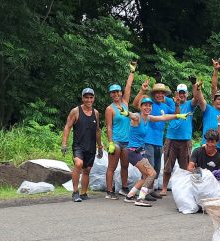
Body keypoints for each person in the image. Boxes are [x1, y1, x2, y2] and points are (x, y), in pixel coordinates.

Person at [123, 97, 188, 206]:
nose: (148, 107)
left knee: (145, 176)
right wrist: (126, 113)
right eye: (145, 105)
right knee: (152, 173)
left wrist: (178, 116)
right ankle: (140, 199)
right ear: (141, 107)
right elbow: (132, 116)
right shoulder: (138, 117)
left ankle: (130, 195)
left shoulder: (148, 118)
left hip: (138, 152)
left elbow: (163, 118)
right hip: (133, 152)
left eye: (149, 105)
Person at [132, 80, 175, 194]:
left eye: (162, 93)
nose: (160, 95)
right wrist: (142, 90)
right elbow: (135, 104)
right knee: (148, 168)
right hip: (147, 141)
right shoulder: (149, 104)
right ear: (153, 94)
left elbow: (175, 110)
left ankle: (150, 190)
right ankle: (145, 192)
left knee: (156, 168)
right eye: (157, 92)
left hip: (159, 142)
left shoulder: (165, 106)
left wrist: (171, 99)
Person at [61, 87, 102, 202]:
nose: (89, 100)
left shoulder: (96, 113)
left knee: (87, 170)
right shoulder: (76, 111)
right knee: (78, 164)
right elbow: (67, 127)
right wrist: (64, 144)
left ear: (93, 98)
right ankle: (75, 192)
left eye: (91, 97)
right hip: (78, 146)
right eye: (86, 97)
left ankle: (84, 193)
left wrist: (100, 147)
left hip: (91, 146)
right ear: (82, 98)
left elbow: (97, 130)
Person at [103, 62, 137, 199]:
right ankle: (109, 191)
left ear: (120, 93)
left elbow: (129, 86)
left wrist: (132, 72)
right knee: (112, 167)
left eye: (118, 91)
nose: (116, 94)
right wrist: (110, 142)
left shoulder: (125, 104)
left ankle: (124, 188)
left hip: (126, 141)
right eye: (113, 92)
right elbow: (109, 126)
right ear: (111, 95)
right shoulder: (110, 109)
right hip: (116, 141)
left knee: (125, 166)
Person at [160, 83, 194, 196]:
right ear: (176, 94)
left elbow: (198, 98)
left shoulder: (190, 104)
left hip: (185, 139)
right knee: (168, 164)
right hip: (171, 138)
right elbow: (159, 96)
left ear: (187, 94)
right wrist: (160, 84)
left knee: (186, 166)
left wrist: (195, 85)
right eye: (180, 93)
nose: (182, 95)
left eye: (184, 93)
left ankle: (185, 189)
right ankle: (164, 188)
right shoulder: (171, 101)